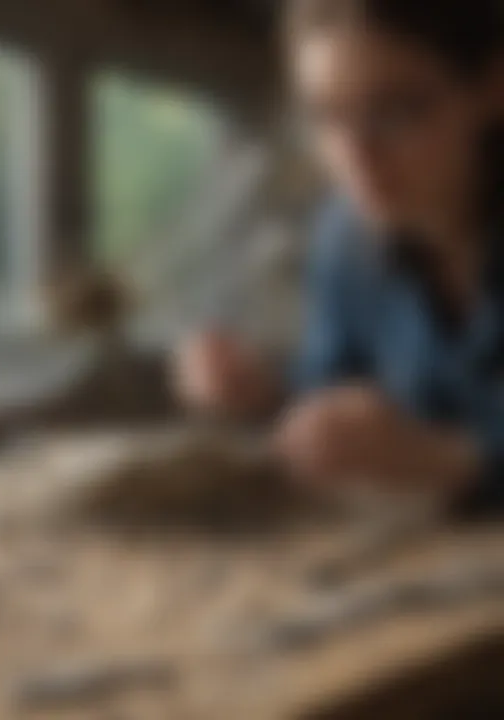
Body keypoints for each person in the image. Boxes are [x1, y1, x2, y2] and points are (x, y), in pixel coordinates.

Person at [173, 0, 504, 507]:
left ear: (489, 87)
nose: (356, 158)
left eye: (396, 111)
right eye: (326, 118)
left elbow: (422, 453)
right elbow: (331, 389)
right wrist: (264, 395)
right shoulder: (346, 240)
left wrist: (448, 458)